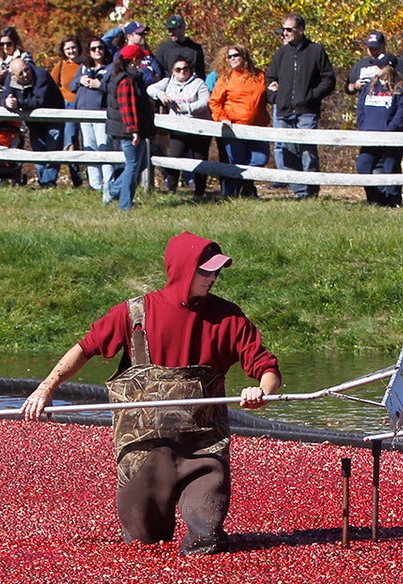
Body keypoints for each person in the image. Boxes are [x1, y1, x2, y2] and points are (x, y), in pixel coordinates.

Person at [21, 231, 281, 555]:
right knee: (145, 544)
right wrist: (46, 389)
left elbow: (268, 369)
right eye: (205, 271)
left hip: (203, 451)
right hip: (142, 452)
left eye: (217, 271)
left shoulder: (228, 318)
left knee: (206, 540)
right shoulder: (134, 316)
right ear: (182, 269)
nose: (213, 278)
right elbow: (84, 349)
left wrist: (262, 392)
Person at [265, 12, 336, 200]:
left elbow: (329, 79)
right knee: (287, 151)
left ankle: (311, 191)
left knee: (307, 151)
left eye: (289, 30)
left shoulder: (316, 51)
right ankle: (299, 192)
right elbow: (270, 79)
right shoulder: (281, 53)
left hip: (307, 112)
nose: (285, 33)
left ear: (301, 30)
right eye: (283, 30)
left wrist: (311, 96)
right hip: (284, 111)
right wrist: (275, 97)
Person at [208, 44, 270, 198]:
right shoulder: (225, 78)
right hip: (235, 129)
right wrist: (222, 118)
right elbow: (214, 102)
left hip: (258, 127)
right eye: (230, 56)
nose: (233, 59)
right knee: (236, 163)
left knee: (260, 159)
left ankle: (245, 188)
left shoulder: (260, 75)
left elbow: (270, 95)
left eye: (236, 55)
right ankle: (234, 194)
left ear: (244, 56)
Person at [147, 56, 212, 197]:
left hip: (199, 129)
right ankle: (171, 190)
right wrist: (161, 94)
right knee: (174, 159)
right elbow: (150, 89)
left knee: (199, 161)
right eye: (178, 69)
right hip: (179, 130)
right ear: (173, 71)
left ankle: (199, 193)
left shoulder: (199, 83)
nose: (182, 72)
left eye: (185, 69)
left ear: (190, 70)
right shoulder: (168, 82)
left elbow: (205, 102)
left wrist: (185, 108)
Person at [354, 55, 403, 207]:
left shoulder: (400, 88)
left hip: (392, 137)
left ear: (390, 67)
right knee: (363, 166)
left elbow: (402, 113)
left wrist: (390, 130)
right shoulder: (369, 86)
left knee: (390, 167)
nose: (376, 68)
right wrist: (364, 126)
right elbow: (360, 109)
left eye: (380, 65)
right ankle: (375, 199)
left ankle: (392, 201)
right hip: (370, 136)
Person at [2, 56, 65, 188]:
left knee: (52, 150)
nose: (25, 74)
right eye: (21, 73)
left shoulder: (42, 75)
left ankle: (48, 183)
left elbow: (38, 101)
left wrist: (18, 103)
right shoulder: (9, 79)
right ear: (13, 75)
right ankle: (43, 182)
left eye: (27, 70)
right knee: (38, 151)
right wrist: (8, 103)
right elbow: (5, 97)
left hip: (54, 117)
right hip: (33, 121)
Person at [105, 44, 154, 210]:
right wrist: (133, 130)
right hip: (128, 130)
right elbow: (127, 108)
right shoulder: (125, 80)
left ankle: (113, 189)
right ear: (133, 60)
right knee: (133, 165)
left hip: (133, 128)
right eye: (140, 58)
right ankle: (125, 204)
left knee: (140, 165)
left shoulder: (132, 78)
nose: (142, 61)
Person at [71, 39, 113, 194]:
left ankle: (109, 183)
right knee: (89, 148)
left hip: (101, 113)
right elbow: (71, 86)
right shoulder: (84, 67)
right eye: (93, 48)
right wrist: (80, 80)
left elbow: (113, 87)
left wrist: (99, 85)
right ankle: (94, 184)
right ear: (89, 51)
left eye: (100, 48)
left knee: (104, 147)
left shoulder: (110, 67)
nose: (97, 51)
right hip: (83, 113)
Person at [50, 35, 84, 187]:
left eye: (73, 47)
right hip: (68, 106)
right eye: (68, 48)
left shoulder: (85, 64)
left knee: (89, 142)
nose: (71, 51)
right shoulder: (61, 66)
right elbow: (50, 85)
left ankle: (93, 179)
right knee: (71, 143)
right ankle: (76, 179)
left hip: (84, 106)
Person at [346, 30, 403, 97]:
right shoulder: (361, 64)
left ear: (384, 46)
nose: (373, 52)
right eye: (370, 49)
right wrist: (355, 86)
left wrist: (396, 88)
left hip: (390, 103)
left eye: (376, 48)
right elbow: (348, 88)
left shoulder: (396, 62)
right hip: (367, 105)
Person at [153, 15, 205, 80]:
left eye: (174, 29)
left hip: (192, 86)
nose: (171, 33)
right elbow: (159, 73)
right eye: (169, 30)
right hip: (170, 87)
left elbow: (201, 73)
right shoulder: (163, 49)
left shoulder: (195, 49)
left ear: (183, 28)